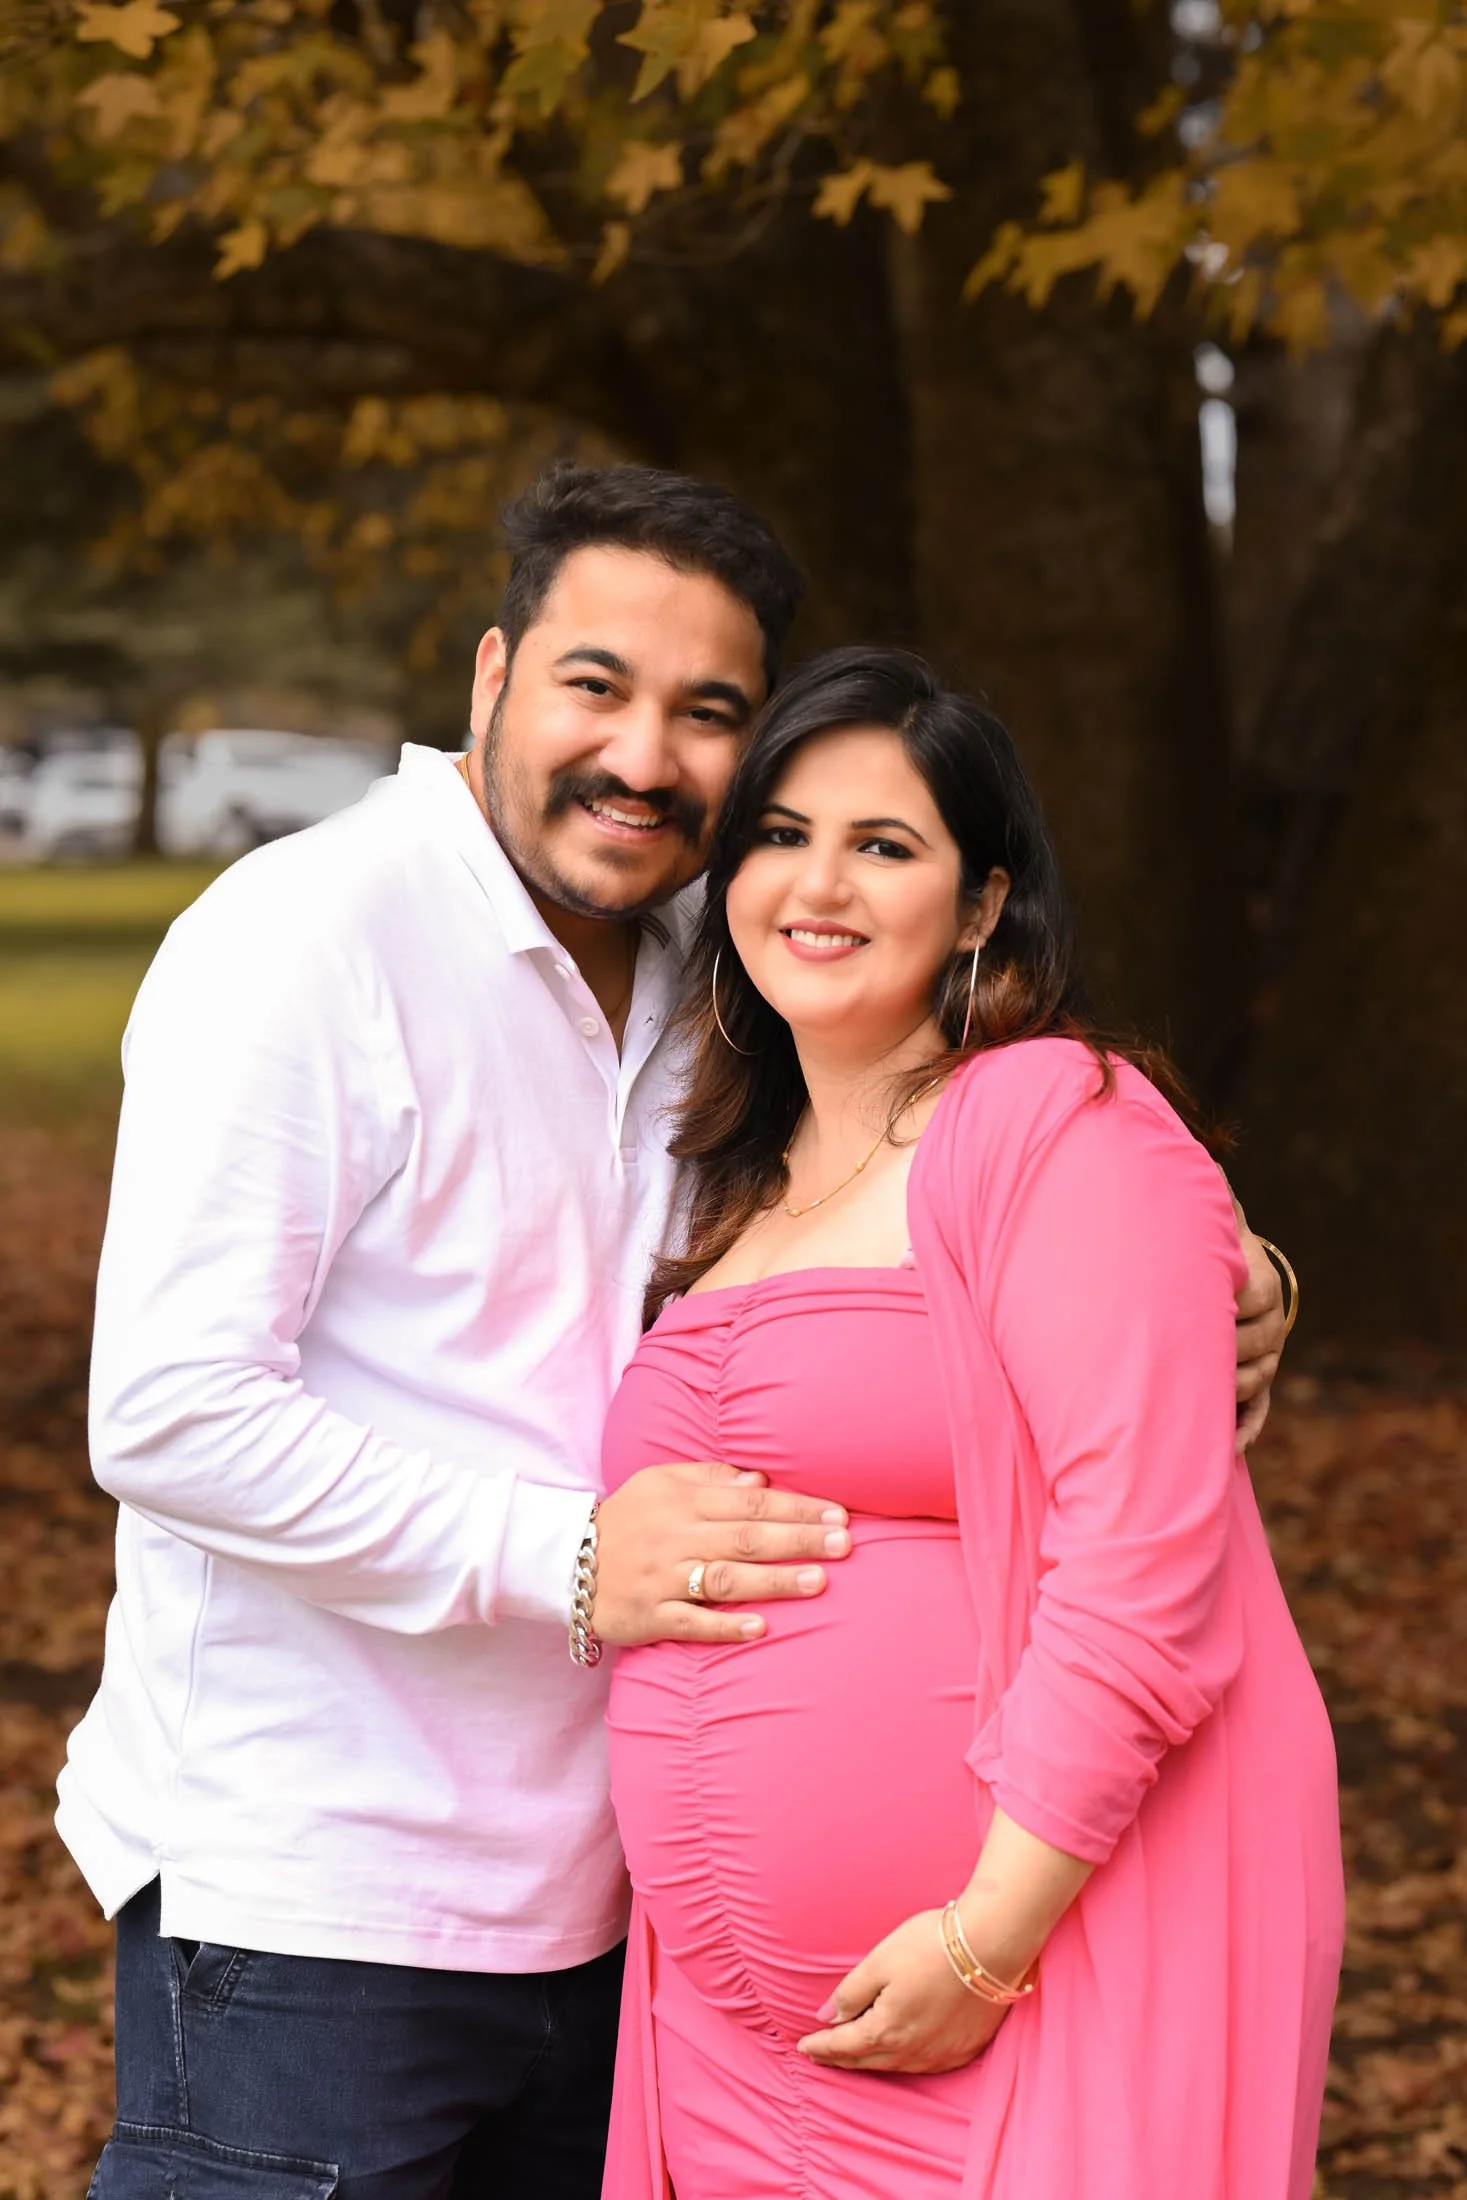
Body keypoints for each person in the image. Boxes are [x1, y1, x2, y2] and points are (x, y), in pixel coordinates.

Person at [59, 467, 1290, 2200]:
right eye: (593, 687)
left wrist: (1237, 1273)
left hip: (614, 1939)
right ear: (490, 678)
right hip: (326, 1902)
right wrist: (572, 1558)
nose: (643, 756)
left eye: (705, 714)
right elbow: (174, 1414)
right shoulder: (306, 939)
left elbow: (984, 1146)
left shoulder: (714, 965)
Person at [597, 647, 1343, 2200]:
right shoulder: (716, 1181)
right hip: (718, 2053)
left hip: (1000, 2017)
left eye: (885, 846)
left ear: (983, 903)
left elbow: (1143, 1567)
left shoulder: (1047, 1118)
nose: (822, 882)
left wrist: (982, 1941)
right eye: (783, 834)